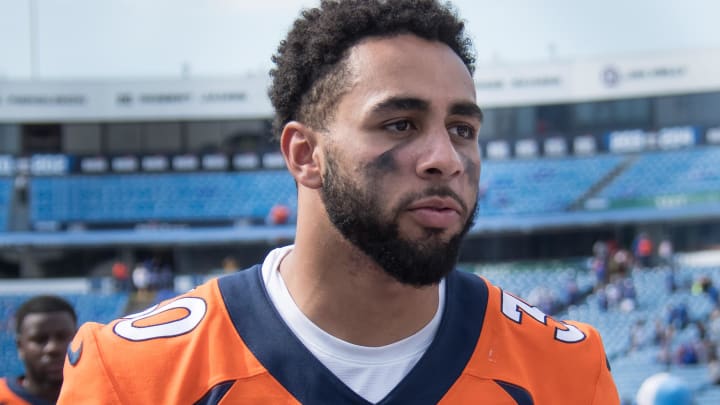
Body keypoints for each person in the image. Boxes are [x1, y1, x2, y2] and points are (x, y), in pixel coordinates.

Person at [59, 1, 620, 403]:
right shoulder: (135, 377)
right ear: (305, 153)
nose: (445, 157)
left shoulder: (564, 370)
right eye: (400, 124)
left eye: (462, 128)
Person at [1, 295, 77, 405]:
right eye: (40, 339)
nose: (53, 348)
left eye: (62, 337)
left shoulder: (101, 396)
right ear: (20, 346)